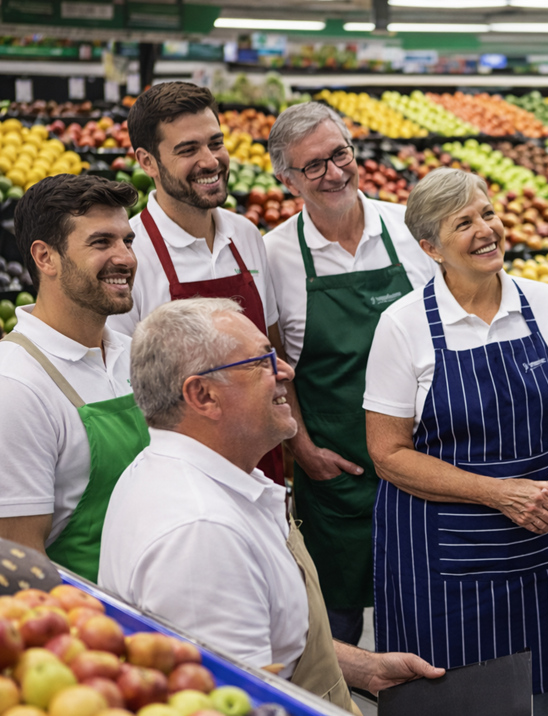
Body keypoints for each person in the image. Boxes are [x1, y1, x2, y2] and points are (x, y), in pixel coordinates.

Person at [98, 297, 444, 713]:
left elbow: (272, 639)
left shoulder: (195, 474)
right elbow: (245, 702)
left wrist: (363, 668)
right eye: (261, 361)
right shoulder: (203, 535)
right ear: (203, 395)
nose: (286, 371)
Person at [363, 168, 548, 716]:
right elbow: (387, 454)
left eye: (487, 213)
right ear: (431, 248)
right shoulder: (403, 325)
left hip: (537, 543)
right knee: (448, 699)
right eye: (463, 223)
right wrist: (498, 494)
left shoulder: (544, 304)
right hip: (442, 556)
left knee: (535, 700)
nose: (486, 230)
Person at [263, 102, 437, 645]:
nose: (334, 173)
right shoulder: (273, 256)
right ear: (287, 180)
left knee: (420, 623)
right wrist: (304, 452)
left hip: (424, 461)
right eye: (313, 165)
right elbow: (276, 367)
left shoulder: (409, 232)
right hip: (336, 473)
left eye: (340, 154)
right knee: (334, 630)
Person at [106, 81, 283, 485]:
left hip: (263, 463)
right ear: (147, 162)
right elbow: (122, 389)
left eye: (215, 143)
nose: (210, 161)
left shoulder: (246, 235)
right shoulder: (129, 256)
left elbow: (272, 349)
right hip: (183, 476)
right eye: (188, 150)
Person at [0, 175, 146, 583]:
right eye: (101, 243)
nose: (125, 258)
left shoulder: (135, 354)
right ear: (45, 257)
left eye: (128, 241)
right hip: (91, 615)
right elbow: (21, 568)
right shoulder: (15, 386)